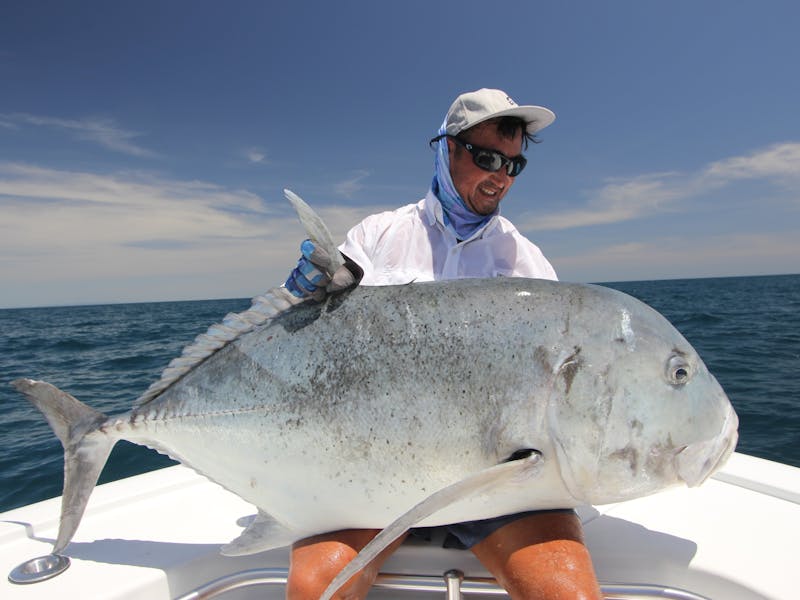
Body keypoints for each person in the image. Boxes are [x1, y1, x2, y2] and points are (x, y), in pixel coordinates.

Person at [283, 88, 602, 600]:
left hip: (496, 484)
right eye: (487, 157)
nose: (501, 175)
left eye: (514, 165)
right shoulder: (378, 236)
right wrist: (301, 298)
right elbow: (308, 344)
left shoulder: (526, 262)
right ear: (446, 149)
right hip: (375, 470)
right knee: (317, 586)